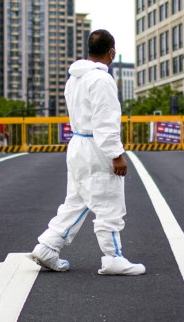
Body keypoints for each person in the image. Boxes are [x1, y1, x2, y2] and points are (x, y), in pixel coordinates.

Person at [29, 30, 145, 276]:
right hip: (96, 147)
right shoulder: (102, 80)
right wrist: (117, 155)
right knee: (109, 202)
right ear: (111, 52)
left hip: (78, 144)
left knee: (78, 200)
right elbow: (106, 121)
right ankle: (113, 257)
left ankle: (48, 246)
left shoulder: (75, 79)